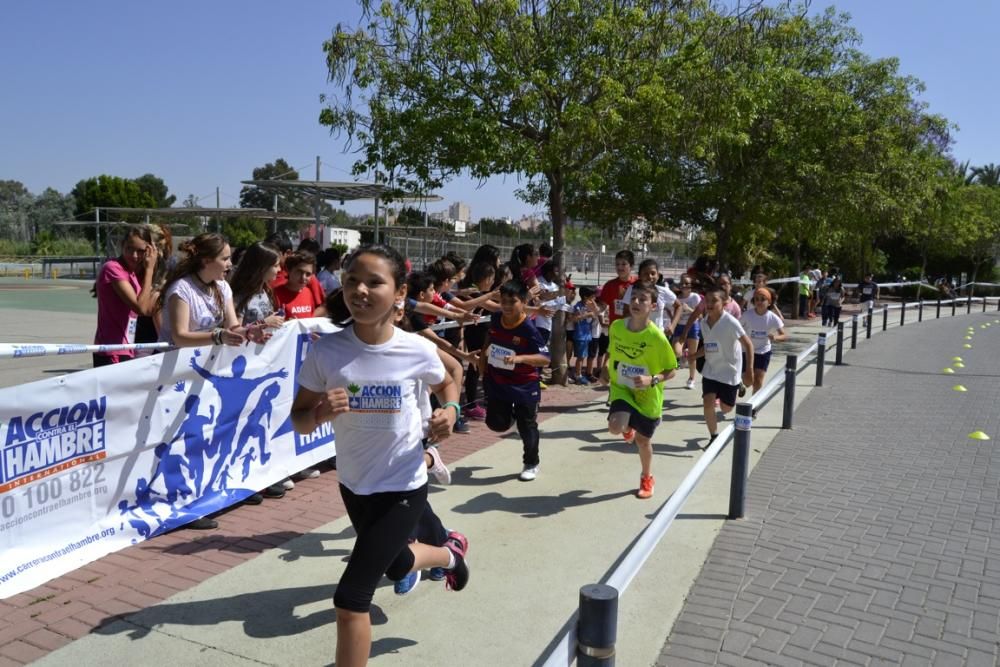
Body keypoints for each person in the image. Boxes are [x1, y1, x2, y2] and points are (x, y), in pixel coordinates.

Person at [289, 244, 469, 667]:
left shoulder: (416, 350)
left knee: (351, 598)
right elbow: (298, 419)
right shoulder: (327, 351)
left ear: (400, 292)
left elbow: (448, 382)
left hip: (404, 485)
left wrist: (451, 410)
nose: (360, 290)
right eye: (352, 280)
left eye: (374, 282)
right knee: (398, 563)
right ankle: (450, 555)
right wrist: (318, 413)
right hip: (354, 485)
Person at [601, 283, 677, 499]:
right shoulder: (616, 327)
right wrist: (605, 369)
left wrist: (652, 379)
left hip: (647, 394)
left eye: (642, 299)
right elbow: (611, 354)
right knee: (615, 427)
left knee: (643, 442)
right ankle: (626, 428)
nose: (635, 302)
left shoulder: (657, 337)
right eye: (633, 298)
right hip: (622, 388)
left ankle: (647, 476)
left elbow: (671, 371)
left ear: (652, 306)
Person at [479, 280, 550, 481]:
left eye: (513, 302)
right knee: (495, 424)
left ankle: (531, 462)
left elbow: (545, 359)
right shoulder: (495, 319)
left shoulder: (529, 329)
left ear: (524, 302)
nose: (507, 306)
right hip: (497, 380)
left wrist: (520, 359)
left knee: (527, 426)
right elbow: (488, 342)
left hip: (524, 384)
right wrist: (483, 364)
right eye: (504, 302)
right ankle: (510, 418)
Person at [93, 225, 160, 367]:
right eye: (129, 248)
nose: (134, 255)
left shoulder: (132, 274)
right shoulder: (113, 268)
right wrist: (149, 269)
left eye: (141, 251)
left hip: (127, 347)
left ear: (149, 251)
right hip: (112, 349)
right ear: (122, 245)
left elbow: (147, 309)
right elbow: (140, 308)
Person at [696, 289, 754, 443]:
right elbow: (708, 346)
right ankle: (714, 436)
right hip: (711, 370)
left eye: (714, 300)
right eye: (707, 301)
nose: (709, 304)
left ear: (724, 303)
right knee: (708, 401)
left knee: (726, 409)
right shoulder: (703, 323)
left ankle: (738, 385)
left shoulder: (730, 322)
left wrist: (749, 371)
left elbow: (748, 345)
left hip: (730, 371)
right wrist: (693, 356)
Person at [739, 288, 787, 406]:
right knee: (748, 382)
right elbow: (736, 329)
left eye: (763, 299)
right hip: (746, 351)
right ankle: (740, 383)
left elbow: (784, 335)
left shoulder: (772, 317)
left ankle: (753, 406)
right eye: (757, 299)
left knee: (758, 381)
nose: (759, 302)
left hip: (763, 351)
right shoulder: (747, 315)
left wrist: (775, 338)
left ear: (769, 302)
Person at [622, 258, 679, 337]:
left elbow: (679, 306)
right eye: (645, 273)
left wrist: (672, 326)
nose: (649, 276)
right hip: (637, 335)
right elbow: (625, 313)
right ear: (639, 275)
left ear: (658, 275)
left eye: (653, 273)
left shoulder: (663, 291)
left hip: (656, 336)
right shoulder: (632, 290)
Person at [273, 251, 327, 319]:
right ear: (289, 270)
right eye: (299, 272)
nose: (303, 277)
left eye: (308, 274)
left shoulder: (308, 293)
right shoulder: (276, 294)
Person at [672, 276, 703, 390]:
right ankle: (683, 354)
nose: (684, 285)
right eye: (682, 283)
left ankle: (691, 379)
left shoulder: (695, 297)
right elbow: (673, 313)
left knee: (692, 354)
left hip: (693, 326)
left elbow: (700, 316)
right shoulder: (676, 298)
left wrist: (689, 309)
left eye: (687, 283)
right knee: (676, 352)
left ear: (691, 286)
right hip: (679, 326)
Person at [598, 249, 637, 326]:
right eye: (617, 264)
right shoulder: (609, 285)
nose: (620, 267)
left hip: (635, 329)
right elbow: (602, 306)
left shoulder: (638, 284)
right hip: (616, 329)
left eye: (623, 264)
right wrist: (595, 309)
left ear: (631, 266)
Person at [571, 286, 599, 384]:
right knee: (580, 357)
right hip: (580, 335)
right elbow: (574, 318)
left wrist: (593, 307)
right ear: (585, 297)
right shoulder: (578, 306)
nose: (594, 299)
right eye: (592, 297)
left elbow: (597, 312)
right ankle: (578, 375)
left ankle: (579, 375)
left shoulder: (589, 306)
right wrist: (587, 315)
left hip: (587, 335)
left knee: (584, 355)